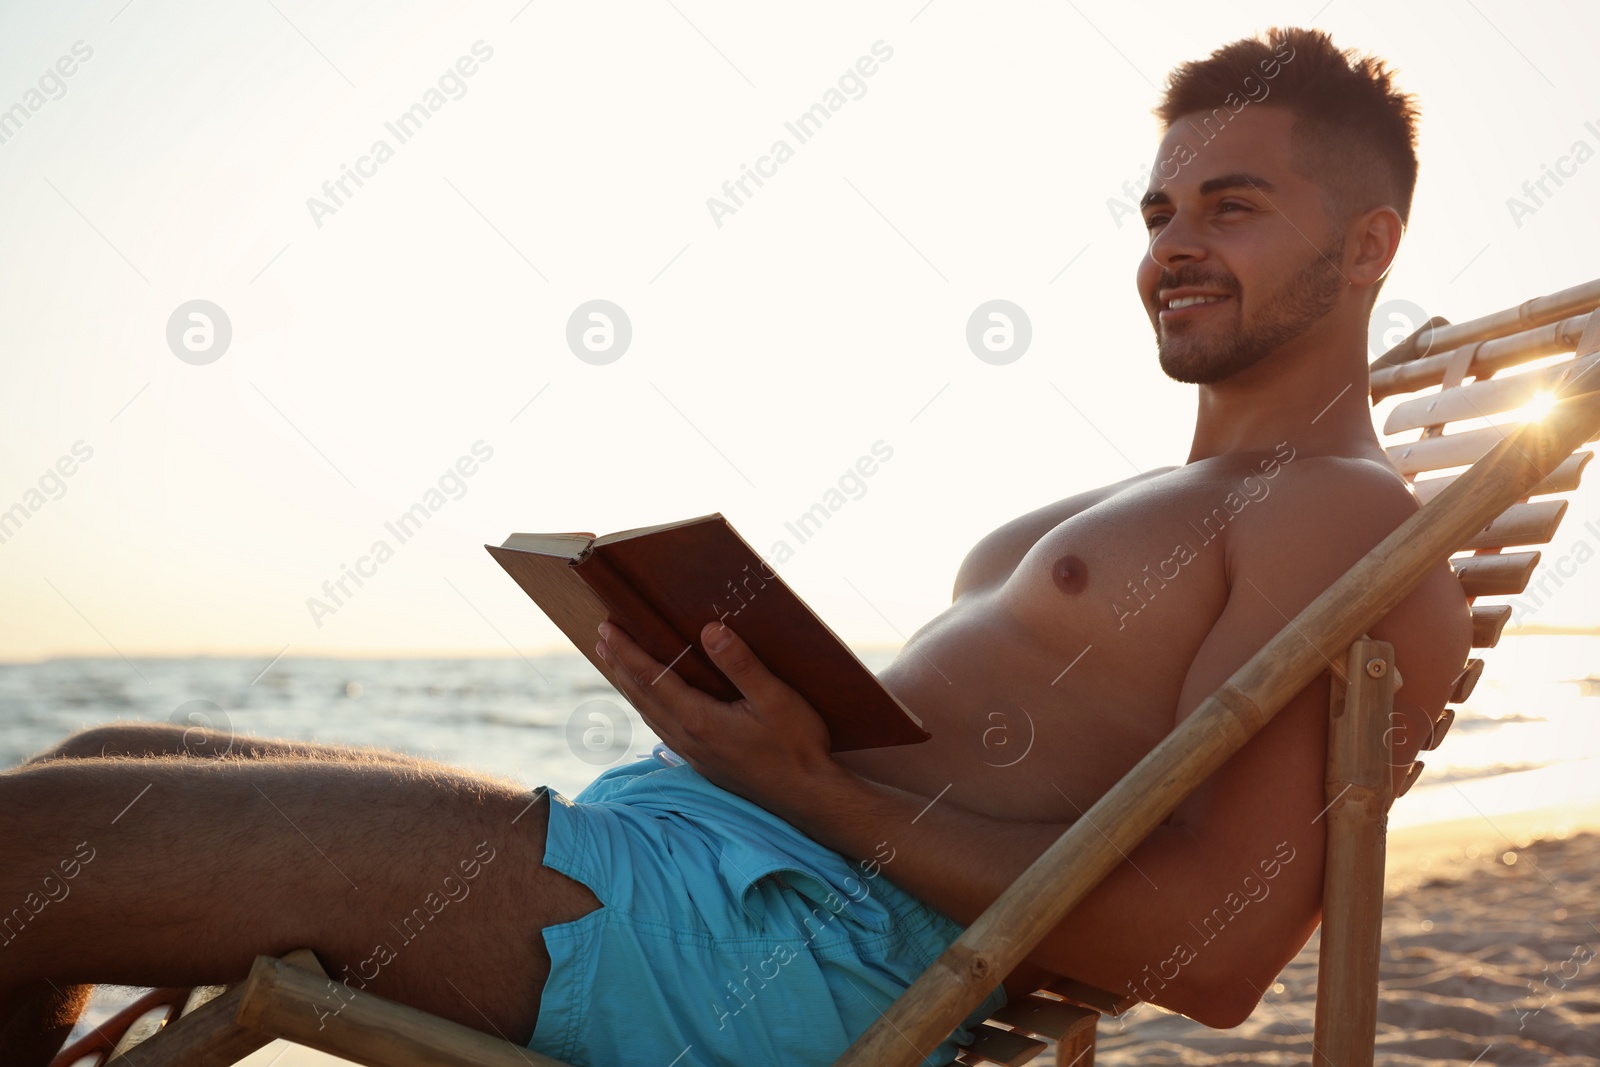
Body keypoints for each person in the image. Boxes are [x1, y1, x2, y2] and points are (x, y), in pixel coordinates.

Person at [1, 24, 1472, 1067]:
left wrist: (806, 782)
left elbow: (1213, 960)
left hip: (769, 951)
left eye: (1235, 205)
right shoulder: (1206, 494)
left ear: (1368, 247)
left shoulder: (1337, 512)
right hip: (695, 866)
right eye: (1158, 209)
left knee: (37, 850)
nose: (1171, 245)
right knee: (93, 758)